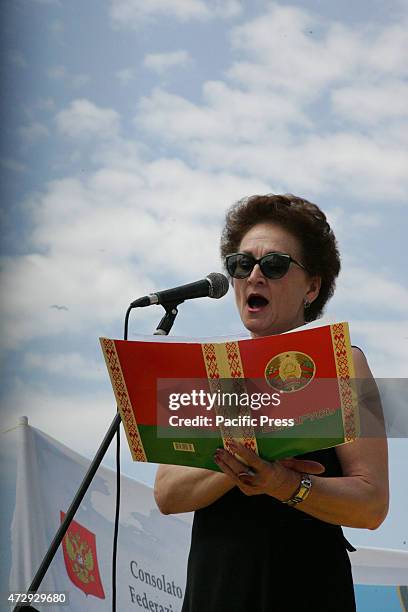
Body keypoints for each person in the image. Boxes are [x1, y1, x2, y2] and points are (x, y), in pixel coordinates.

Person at [154, 194, 389, 612]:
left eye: (275, 265)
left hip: (306, 586)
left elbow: (372, 503)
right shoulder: (208, 375)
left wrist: (283, 484)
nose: (254, 276)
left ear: (312, 286)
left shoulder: (342, 364)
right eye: (241, 265)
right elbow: (168, 494)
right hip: (216, 588)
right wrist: (244, 463)